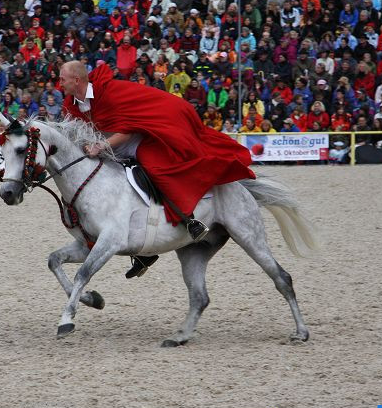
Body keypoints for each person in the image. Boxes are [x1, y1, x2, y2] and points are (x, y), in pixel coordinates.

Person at [60, 61, 255, 278]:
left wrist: (101, 146)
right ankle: (144, 252)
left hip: (137, 140)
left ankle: (189, 219)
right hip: (108, 149)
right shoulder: (69, 104)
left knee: (156, 170)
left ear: (76, 80)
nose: (60, 84)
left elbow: (128, 129)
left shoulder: (110, 93)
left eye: (63, 80)